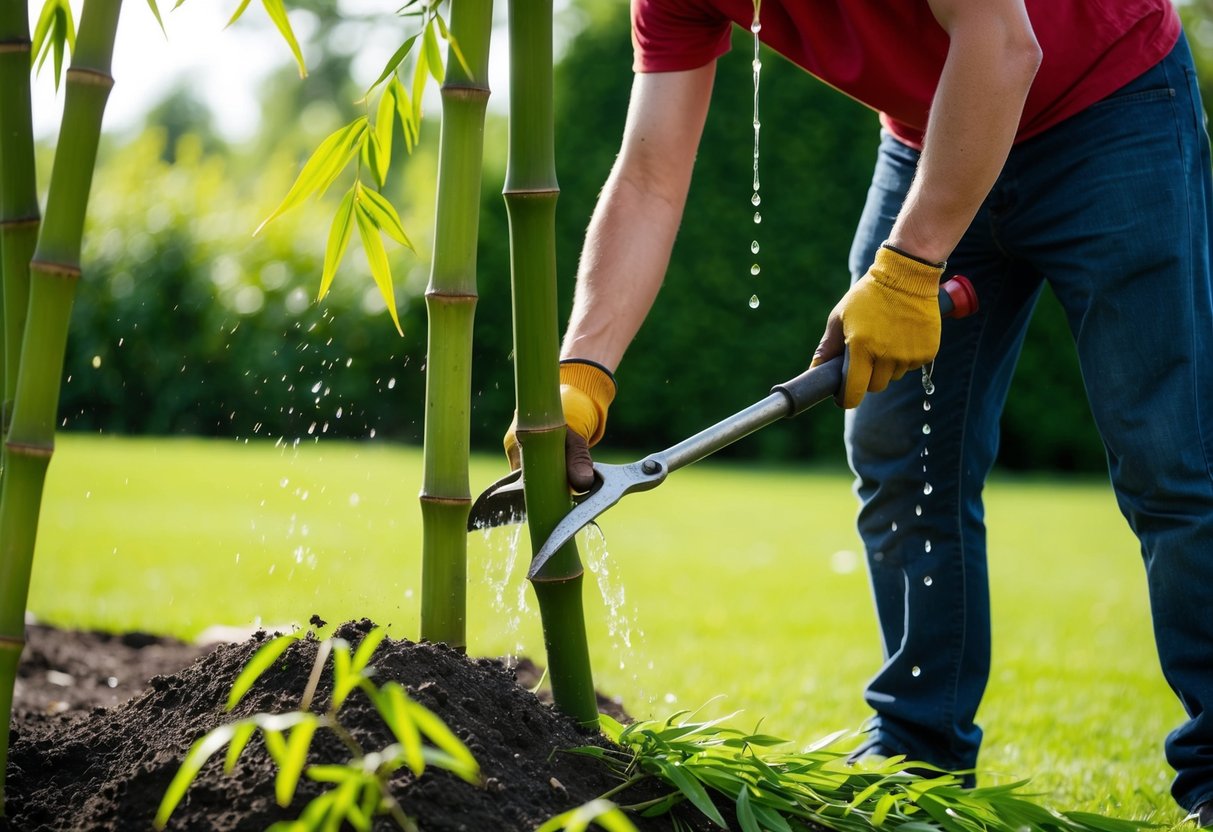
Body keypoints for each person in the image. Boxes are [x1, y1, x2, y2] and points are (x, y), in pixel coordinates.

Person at [503, 0, 1213, 822]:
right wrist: (581, 375)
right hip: (930, 130)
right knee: (899, 460)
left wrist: (909, 267)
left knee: (1173, 460)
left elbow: (1003, 43)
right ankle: (917, 757)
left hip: (1106, 109)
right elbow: (650, 174)